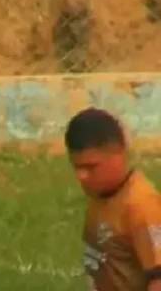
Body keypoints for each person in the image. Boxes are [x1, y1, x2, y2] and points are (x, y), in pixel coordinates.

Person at [67, 107, 161, 291]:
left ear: (119, 154)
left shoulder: (140, 205)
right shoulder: (101, 196)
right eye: (76, 167)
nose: (81, 176)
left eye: (90, 167)